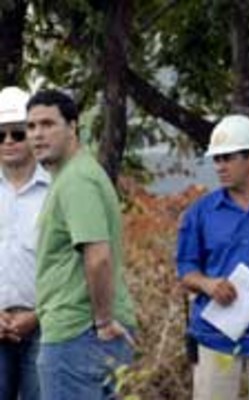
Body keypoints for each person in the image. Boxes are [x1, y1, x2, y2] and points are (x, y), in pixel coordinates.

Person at [25, 89, 137, 400]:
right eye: (31, 127)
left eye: (48, 124)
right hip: (85, 333)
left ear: (73, 126)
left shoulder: (77, 180)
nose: (37, 135)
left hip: (79, 333)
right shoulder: (73, 176)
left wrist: (102, 321)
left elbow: (98, 256)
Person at [176, 114, 249, 400]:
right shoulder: (200, 212)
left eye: (227, 158)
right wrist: (208, 284)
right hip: (216, 336)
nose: (219, 166)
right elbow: (185, 268)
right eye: (216, 159)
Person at [0, 86, 50, 400]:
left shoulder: (57, 190)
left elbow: (70, 264)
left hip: (45, 325)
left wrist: (38, 315)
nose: (7, 142)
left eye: (17, 134)